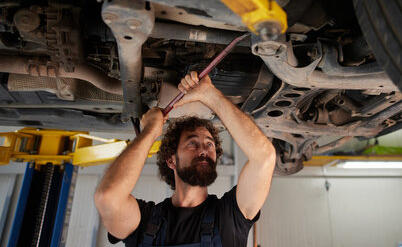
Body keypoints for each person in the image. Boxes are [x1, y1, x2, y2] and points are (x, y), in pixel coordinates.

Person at [94, 71, 276, 246]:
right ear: (171, 160)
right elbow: (108, 197)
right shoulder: (145, 220)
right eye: (192, 144)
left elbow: (264, 157)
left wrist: (210, 95)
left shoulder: (231, 216)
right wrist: (151, 131)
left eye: (209, 144)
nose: (204, 150)